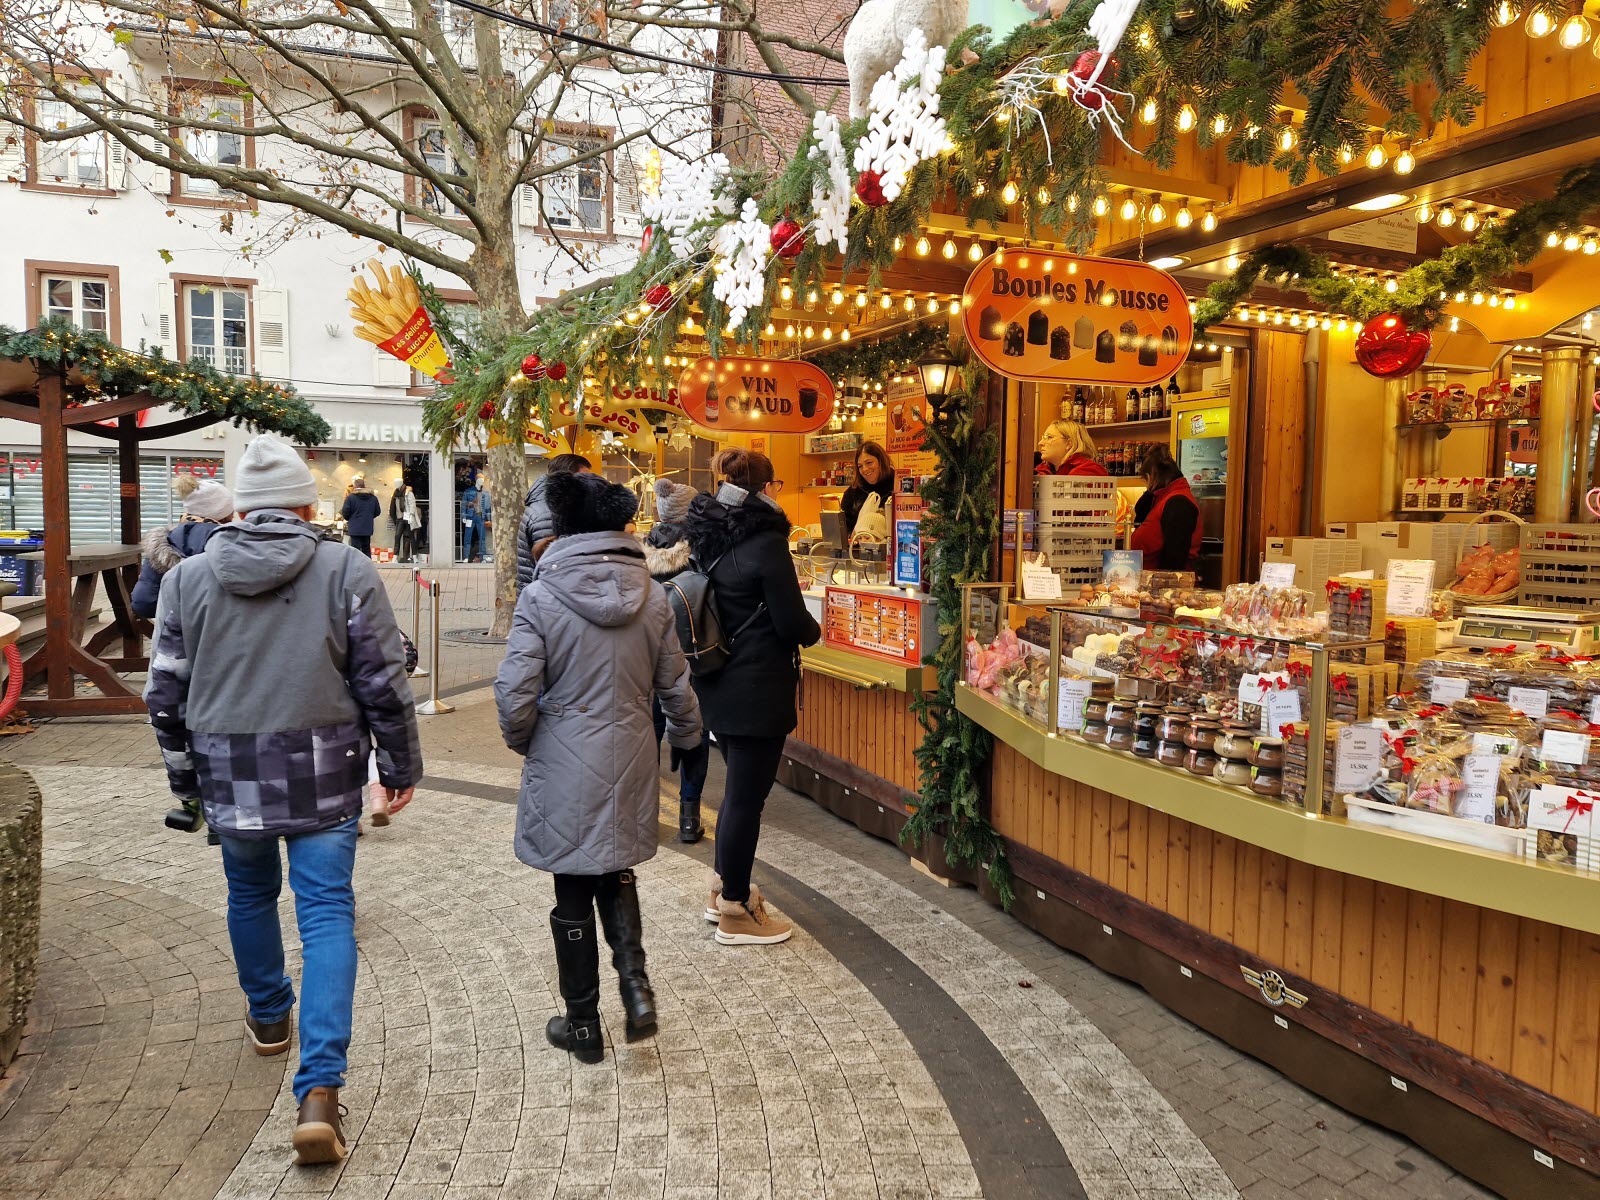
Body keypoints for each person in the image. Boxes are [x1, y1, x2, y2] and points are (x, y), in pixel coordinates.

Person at [144, 434, 421, 1166]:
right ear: (306, 503)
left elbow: (164, 695)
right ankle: (321, 1091)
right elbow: (382, 680)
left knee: (249, 892)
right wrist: (397, 761)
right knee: (327, 911)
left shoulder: (188, 580)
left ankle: (270, 1017)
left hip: (229, 764)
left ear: (241, 508)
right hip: (324, 763)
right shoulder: (344, 569)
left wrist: (184, 780)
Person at [495, 471, 701, 1063]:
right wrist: (685, 736)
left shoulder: (541, 597)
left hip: (562, 755)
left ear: (564, 529)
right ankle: (635, 989)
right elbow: (675, 685)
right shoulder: (654, 596)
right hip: (633, 749)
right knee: (615, 869)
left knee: (571, 888)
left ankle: (583, 1024)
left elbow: (513, 695)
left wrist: (530, 740)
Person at [684, 448, 821, 946]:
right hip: (758, 687)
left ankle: (722, 887)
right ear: (767, 490)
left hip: (717, 678)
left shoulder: (709, 536)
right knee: (746, 798)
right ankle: (737, 910)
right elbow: (791, 623)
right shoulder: (766, 544)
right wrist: (814, 630)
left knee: (735, 793)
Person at [644, 477, 710, 844]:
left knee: (649, 733)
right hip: (693, 657)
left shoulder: (641, 550)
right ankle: (689, 815)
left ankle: (646, 813)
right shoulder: (701, 550)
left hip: (649, 659)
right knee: (693, 732)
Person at [131, 475, 235, 619]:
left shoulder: (164, 542)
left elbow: (143, 604)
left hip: (175, 634)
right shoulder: (230, 542)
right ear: (224, 513)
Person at [517, 453, 593, 590]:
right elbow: (555, 569)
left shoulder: (550, 504)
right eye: (584, 478)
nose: (588, 484)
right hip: (546, 602)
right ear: (565, 478)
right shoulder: (549, 511)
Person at [1130, 444, 1203, 570]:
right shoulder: (1163, 498)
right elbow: (1140, 512)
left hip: (1166, 584)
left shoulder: (1178, 503)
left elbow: (1174, 558)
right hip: (1153, 581)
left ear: (1149, 477)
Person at [839, 440, 896, 537]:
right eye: (860, 466)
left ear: (881, 461)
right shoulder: (852, 493)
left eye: (869, 463)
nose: (865, 469)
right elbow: (843, 530)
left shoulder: (898, 487)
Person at [1036, 419, 1108, 476]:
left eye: (1049, 437)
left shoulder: (1089, 470)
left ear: (1069, 444)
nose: (1040, 443)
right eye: (1043, 437)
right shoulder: (1044, 471)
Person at [340, 476, 381, 557]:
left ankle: (356, 568)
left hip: (354, 528)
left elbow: (345, 512)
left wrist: (350, 519)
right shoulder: (373, 498)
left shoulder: (350, 498)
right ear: (364, 486)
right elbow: (377, 512)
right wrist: (368, 517)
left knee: (355, 550)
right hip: (367, 527)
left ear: (355, 486)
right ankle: (368, 567)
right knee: (366, 549)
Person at [461, 472, 492, 562]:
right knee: (467, 537)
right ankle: (466, 556)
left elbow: (488, 508)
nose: (482, 482)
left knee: (482, 538)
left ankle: (482, 557)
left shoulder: (486, 494)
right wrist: (464, 515)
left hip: (480, 517)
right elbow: (464, 504)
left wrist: (488, 518)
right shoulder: (468, 491)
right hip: (470, 517)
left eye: (483, 480)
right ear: (476, 480)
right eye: (480, 480)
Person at [389, 484, 421, 562]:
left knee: (411, 537)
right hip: (400, 518)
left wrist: (411, 515)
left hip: (407, 517)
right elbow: (393, 507)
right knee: (397, 537)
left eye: (397, 482)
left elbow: (412, 505)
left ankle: (414, 556)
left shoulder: (408, 493)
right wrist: (394, 518)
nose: (396, 483)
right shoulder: (395, 494)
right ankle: (395, 557)